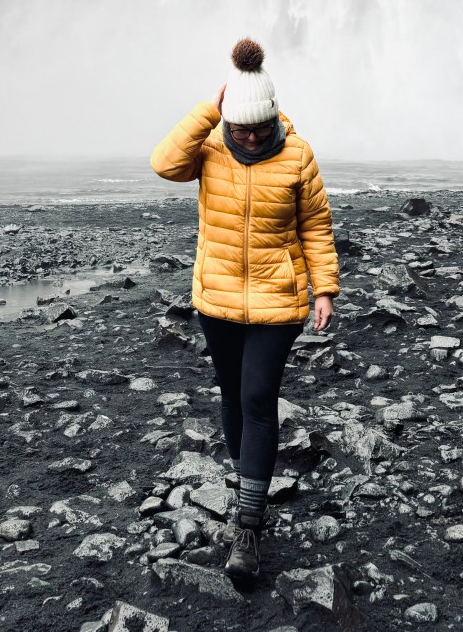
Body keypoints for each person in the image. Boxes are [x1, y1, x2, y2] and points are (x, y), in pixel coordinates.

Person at [150, 37, 340, 582]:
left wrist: (323, 289)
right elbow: (163, 164)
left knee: (259, 398)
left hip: (280, 300)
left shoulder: (298, 153)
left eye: (258, 128)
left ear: (273, 119)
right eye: (240, 128)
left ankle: (248, 525)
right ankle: (247, 486)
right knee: (232, 397)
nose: (250, 137)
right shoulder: (209, 144)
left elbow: (316, 227)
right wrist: (213, 108)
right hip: (219, 300)